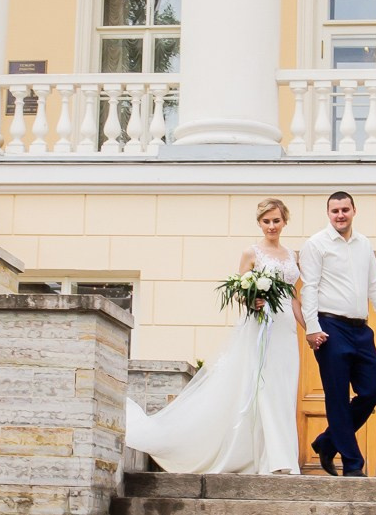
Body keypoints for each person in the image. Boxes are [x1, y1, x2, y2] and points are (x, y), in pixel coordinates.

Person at [126, 198, 304, 475]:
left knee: (284, 388)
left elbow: (294, 297)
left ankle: (277, 455)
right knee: (264, 387)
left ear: (285, 221)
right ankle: (277, 461)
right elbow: (239, 289)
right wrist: (252, 301)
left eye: (276, 221)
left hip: (285, 328)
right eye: (266, 221)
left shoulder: (292, 255)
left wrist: (309, 329)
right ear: (259, 223)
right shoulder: (251, 252)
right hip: (261, 326)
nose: (272, 226)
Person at [300, 191, 376, 478]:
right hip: (330, 328)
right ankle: (353, 465)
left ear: (354, 210)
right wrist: (312, 327)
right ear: (328, 214)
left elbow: (375, 283)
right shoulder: (316, 245)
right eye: (334, 211)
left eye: (345, 209)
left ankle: (327, 442)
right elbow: (309, 288)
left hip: (361, 329)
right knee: (338, 397)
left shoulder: (363, 244)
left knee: (370, 393)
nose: (340, 215)